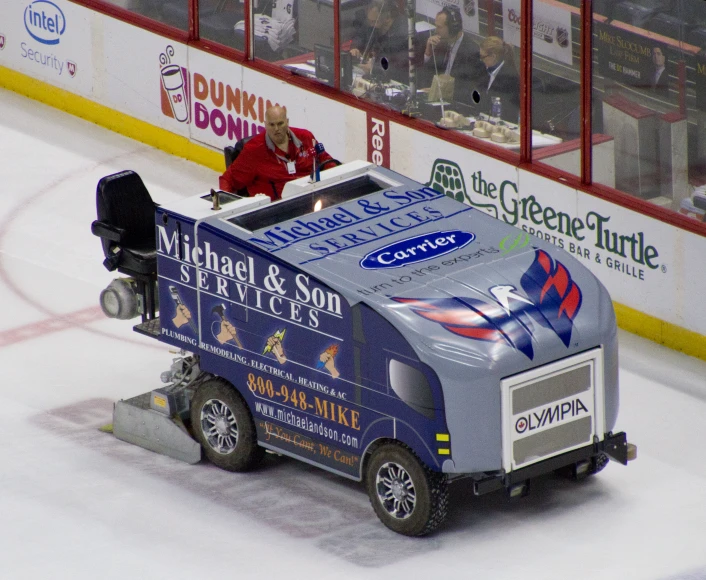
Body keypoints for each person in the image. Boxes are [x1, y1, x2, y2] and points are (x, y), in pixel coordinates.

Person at [219, 105, 335, 201]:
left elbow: (327, 162)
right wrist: (226, 206)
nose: (276, 129)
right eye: (272, 125)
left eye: (280, 124)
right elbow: (228, 180)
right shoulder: (253, 151)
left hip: (311, 199)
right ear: (265, 124)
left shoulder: (306, 137)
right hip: (276, 212)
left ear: (287, 122)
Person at [418, 5, 484, 105]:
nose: (436, 30)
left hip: (455, 104)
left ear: (453, 29)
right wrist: (428, 53)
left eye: (439, 27)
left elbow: (469, 89)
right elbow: (424, 76)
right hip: (433, 99)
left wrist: (442, 93)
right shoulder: (438, 42)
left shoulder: (472, 52)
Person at [349, 0, 409, 83]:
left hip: (393, 80)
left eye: (374, 21)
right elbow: (360, 36)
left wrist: (375, 69)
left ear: (387, 18)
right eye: (369, 21)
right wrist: (355, 48)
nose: (370, 25)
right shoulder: (372, 24)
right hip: (368, 73)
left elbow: (399, 66)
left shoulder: (404, 34)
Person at [477, 36, 520, 123]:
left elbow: (508, 111)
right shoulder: (484, 70)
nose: (480, 60)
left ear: (493, 56)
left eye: (482, 57)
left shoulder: (510, 78)